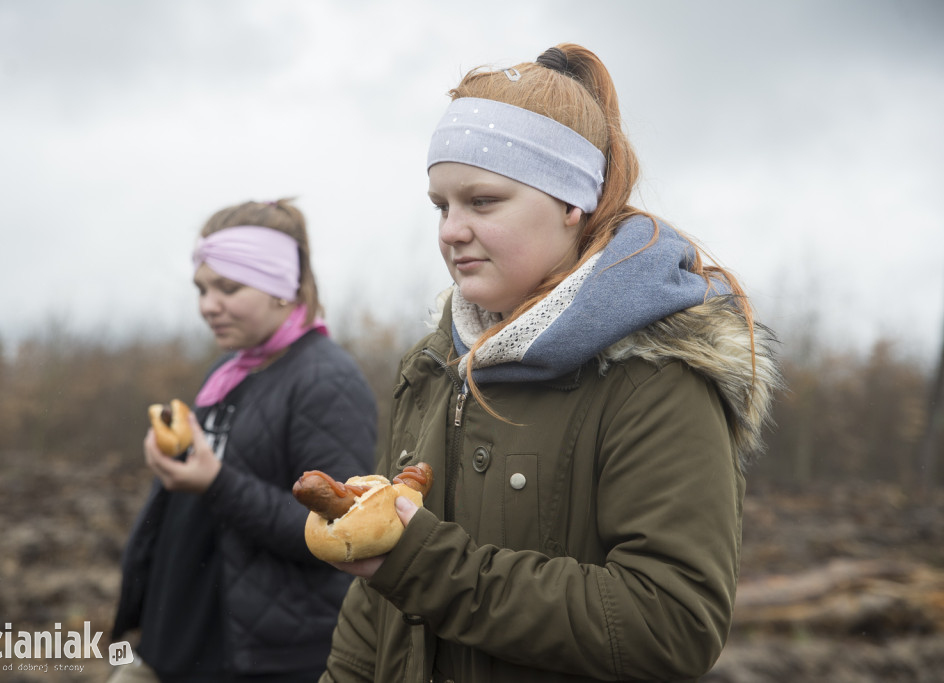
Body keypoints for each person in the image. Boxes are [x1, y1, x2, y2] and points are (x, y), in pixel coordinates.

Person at [319, 44, 782, 682]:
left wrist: (428, 565)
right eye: (441, 205)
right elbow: (374, 609)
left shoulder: (655, 375)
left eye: (482, 201)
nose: (451, 230)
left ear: (573, 202)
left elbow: (671, 625)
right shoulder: (433, 367)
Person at [110, 199, 377, 682]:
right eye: (202, 288)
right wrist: (179, 459)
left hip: (258, 661)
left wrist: (214, 481)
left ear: (282, 288)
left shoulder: (326, 380)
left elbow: (339, 532)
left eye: (228, 288)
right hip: (174, 644)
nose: (207, 305)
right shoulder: (230, 370)